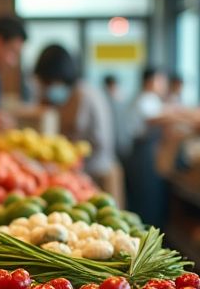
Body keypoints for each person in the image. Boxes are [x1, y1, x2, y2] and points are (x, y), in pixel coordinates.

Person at [34, 45, 117, 185]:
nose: (47, 88)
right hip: (82, 172)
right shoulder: (71, 94)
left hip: (95, 173)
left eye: (49, 82)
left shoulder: (83, 96)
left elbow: (89, 140)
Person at [126, 67, 170, 225]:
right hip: (142, 153)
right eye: (161, 80)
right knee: (146, 196)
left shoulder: (148, 98)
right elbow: (155, 119)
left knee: (147, 196)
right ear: (152, 80)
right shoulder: (145, 98)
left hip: (146, 151)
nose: (163, 84)